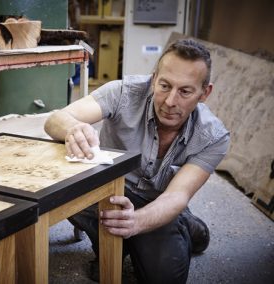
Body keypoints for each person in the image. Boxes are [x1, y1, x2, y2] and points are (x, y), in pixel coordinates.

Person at [44, 38, 230, 283]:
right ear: (154, 79)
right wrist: (72, 128)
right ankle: (113, 243)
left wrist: (137, 222)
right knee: (61, 193)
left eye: (185, 91)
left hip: (158, 201)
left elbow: (176, 196)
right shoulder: (122, 93)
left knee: (163, 276)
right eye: (164, 86)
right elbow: (56, 118)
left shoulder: (213, 137)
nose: (170, 101)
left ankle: (183, 223)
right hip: (108, 192)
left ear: (205, 93)